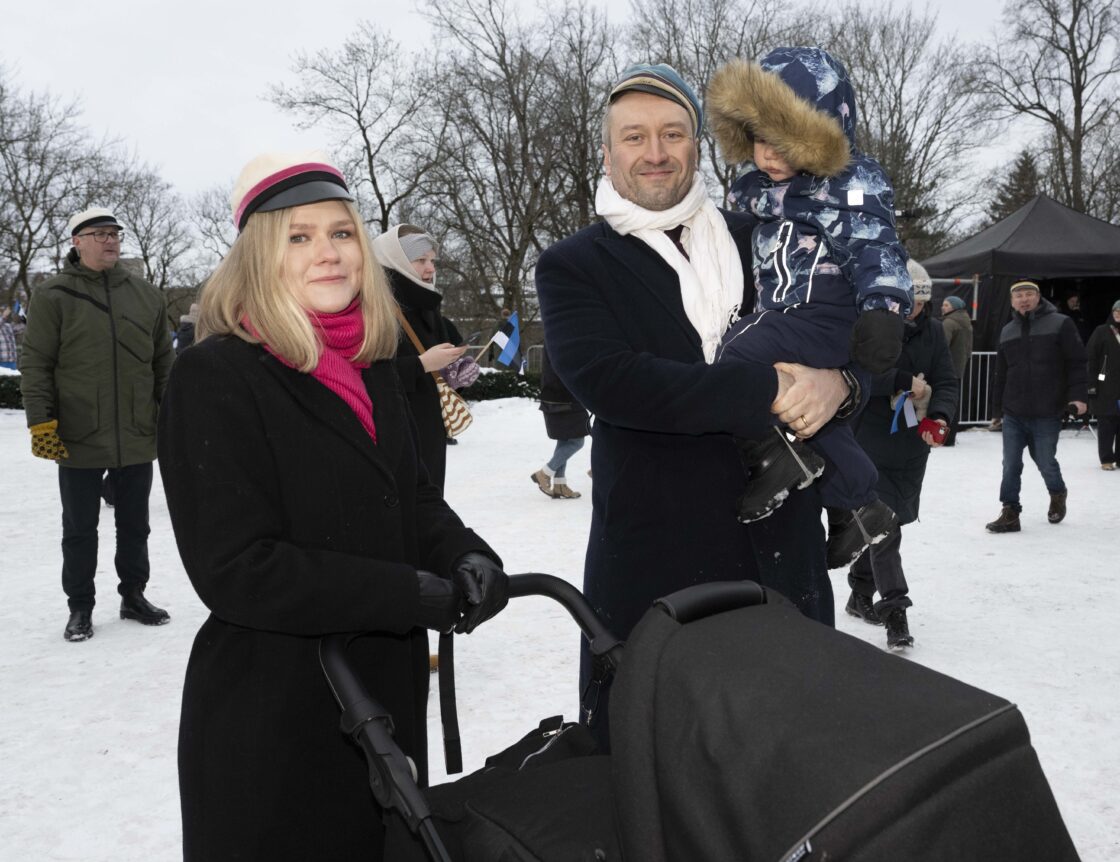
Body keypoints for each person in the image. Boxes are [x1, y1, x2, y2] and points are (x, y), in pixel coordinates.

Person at [156, 151, 509, 861]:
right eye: (299, 236)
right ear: (260, 256)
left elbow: (409, 497)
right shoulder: (215, 374)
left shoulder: (372, 366)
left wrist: (464, 553)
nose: (328, 253)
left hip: (382, 699)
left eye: (341, 233)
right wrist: (403, 593)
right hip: (278, 718)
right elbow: (237, 566)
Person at [535, 63, 856, 746]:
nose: (655, 152)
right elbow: (616, 382)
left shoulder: (762, 235)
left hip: (779, 553)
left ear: (696, 144)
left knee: (794, 762)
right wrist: (769, 387)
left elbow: (844, 327)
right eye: (634, 136)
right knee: (656, 771)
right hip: (657, 559)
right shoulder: (572, 265)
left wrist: (841, 384)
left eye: (673, 133)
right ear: (608, 151)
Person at [706, 47, 912, 569]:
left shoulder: (849, 182)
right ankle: (860, 511)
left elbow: (875, 244)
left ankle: (775, 455)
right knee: (804, 407)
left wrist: (884, 307)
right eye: (757, 138)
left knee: (731, 354)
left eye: (784, 142)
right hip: (787, 314)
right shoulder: (756, 192)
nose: (769, 155)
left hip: (826, 312)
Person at [19, 206, 173, 642]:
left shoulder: (145, 295)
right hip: (77, 435)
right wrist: (41, 423)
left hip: (137, 433)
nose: (110, 240)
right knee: (80, 529)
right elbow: (36, 364)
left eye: (114, 234)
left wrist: (169, 416)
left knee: (136, 525)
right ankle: (80, 607)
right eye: (99, 233)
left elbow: (164, 362)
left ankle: (134, 595)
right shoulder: (53, 295)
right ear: (76, 241)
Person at [846, 260, 959, 649]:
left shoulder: (936, 333)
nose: (912, 309)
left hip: (912, 446)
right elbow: (853, 375)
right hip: (871, 441)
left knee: (890, 525)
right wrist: (898, 380)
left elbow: (946, 379)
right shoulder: (871, 327)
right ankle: (895, 609)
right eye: (905, 301)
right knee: (884, 525)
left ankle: (859, 591)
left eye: (918, 302)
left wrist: (940, 416)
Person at [372, 224, 474, 491]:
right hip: (391, 434)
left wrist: (457, 375)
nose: (431, 269)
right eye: (420, 260)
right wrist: (422, 364)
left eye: (432, 261)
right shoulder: (374, 309)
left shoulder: (429, 307)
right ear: (396, 260)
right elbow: (365, 374)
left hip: (430, 433)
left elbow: (438, 374)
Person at [986, 280, 1088, 532]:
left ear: (1039, 297)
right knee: (1010, 463)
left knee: (1044, 460)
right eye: (1018, 295)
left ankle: (1057, 492)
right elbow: (1001, 373)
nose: (1024, 299)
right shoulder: (1007, 330)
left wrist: (1078, 397)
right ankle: (1010, 511)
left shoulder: (1060, 323)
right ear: (1012, 301)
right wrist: (996, 409)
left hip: (1048, 409)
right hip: (1014, 410)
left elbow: (1077, 362)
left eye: (1029, 294)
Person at [530, 344, 590, 499]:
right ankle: (544, 473)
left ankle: (560, 485)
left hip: (553, 396)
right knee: (577, 442)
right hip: (566, 398)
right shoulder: (565, 339)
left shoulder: (554, 336)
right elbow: (570, 368)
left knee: (564, 441)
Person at [1086, 299, 1120, 469]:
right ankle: (1106, 459)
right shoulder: (1102, 331)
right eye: (1117, 311)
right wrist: (1092, 385)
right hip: (1105, 384)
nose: (1119, 315)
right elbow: (1091, 358)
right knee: (1107, 424)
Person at [940, 294, 973, 446]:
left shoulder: (949, 323)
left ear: (955, 307)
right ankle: (950, 436)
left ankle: (942, 437)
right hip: (959, 369)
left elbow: (941, 347)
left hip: (946, 370)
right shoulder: (966, 322)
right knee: (954, 403)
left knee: (943, 402)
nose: (943, 307)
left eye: (946, 305)